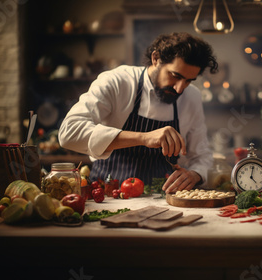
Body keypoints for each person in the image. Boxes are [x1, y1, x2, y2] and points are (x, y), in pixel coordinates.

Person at [58, 32, 218, 194]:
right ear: (156, 58)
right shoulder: (117, 82)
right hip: (107, 195)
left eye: (189, 80)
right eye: (175, 76)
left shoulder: (192, 97)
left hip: (163, 199)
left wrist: (195, 174)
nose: (179, 88)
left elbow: (202, 156)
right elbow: (69, 133)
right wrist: (144, 137)